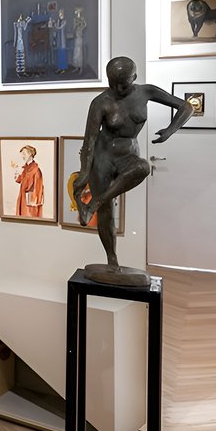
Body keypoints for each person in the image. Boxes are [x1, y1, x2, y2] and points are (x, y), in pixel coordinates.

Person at [75, 56, 192, 273]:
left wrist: (170, 130)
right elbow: (89, 140)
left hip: (128, 154)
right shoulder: (100, 103)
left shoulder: (146, 92)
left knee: (143, 168)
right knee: (106, 213)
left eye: (123, 83)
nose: (118, 88)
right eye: (113, 83)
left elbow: (186, 107)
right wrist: (84, 171)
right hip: (103, 156)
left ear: (134, 77)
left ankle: (95, 202)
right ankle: (112, 260)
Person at [13, 145, 44, 218]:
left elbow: (33, 186)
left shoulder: (35, 169)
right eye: (22, 154)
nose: (22, 156)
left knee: (28, 217)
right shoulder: (26, 168)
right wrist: (16, 169)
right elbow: (20, 180)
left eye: (24, 154)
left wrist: (33, 201)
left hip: (31, 201)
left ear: (30, 154)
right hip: (24, 197)